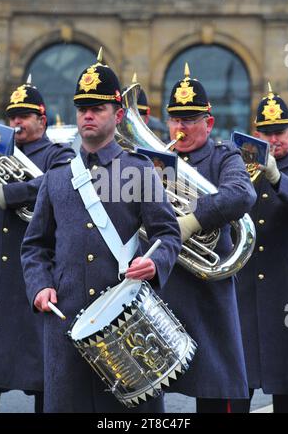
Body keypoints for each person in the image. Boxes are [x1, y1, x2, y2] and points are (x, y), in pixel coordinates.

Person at [21, 50, 181, 413]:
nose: (87, 115)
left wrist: (155, 264)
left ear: (119, 115)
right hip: (66, 334)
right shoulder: (58, 176)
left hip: (129, 330)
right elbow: (35, 247)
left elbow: (167, 235)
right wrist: (39, 286)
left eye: (97, 108)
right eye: (82, 108)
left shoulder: (139, 170)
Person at [159, 63, 257, 413]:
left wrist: (192, 220)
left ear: (208, 123)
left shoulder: (223, 156)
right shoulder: (154, 161)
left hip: (206, 292)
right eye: (175, 119)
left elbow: (241, 194)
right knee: (145, 392)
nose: (181, 127)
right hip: (161, 285)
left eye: (190, 119)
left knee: (215, 392)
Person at [0, 80, 75, 412]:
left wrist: (11, 193)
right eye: (13, 116)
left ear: (43, 120)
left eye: (25, 116)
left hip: (36, 280)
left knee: (46, 382)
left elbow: (60, 180)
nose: (17, 123)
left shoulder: (59, 154)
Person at [230, 84, 288, 413]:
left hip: (286, 294)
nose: (273, 140)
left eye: (280, 132)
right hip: (246, 291)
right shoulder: (241, 168)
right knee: (239, 388)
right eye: (266, 133)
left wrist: (278, 179)